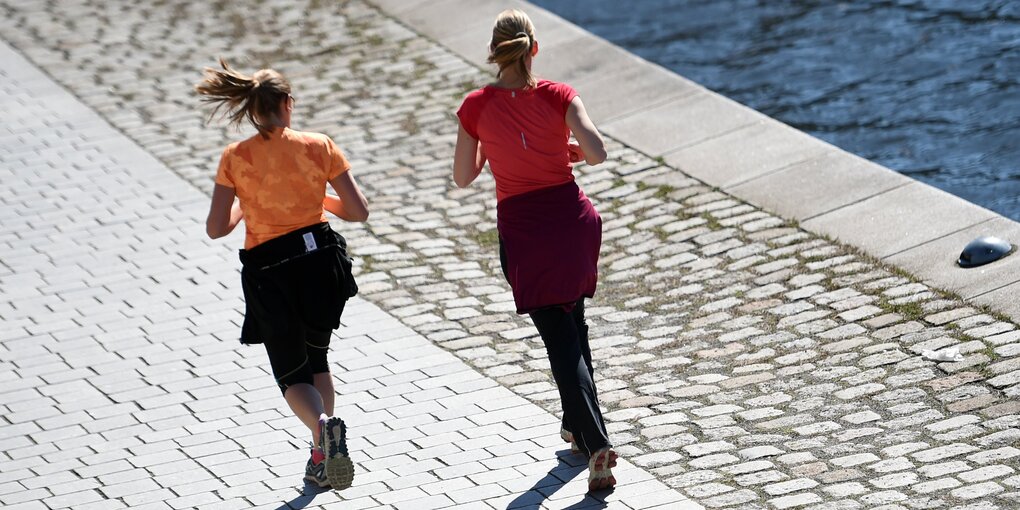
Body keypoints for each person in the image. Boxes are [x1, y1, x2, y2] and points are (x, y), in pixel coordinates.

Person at [452, 9, 617, 492]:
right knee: (573, 324)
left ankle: (595, 440)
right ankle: (577, 430)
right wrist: (569, 149)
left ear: (495, 51)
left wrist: (488, 146)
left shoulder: (476, 106)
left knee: (560, 339)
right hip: (573, 223)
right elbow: (599, 152)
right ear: (534, 49)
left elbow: (463, 178)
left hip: (526, 234)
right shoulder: (560, 95)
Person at [196, 59, 369, 490]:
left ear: (253, 111)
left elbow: (217, 228)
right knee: (318, 358)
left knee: (292, 374)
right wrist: (319, 199)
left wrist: (244, 205)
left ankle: (325, 428)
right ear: (288, 104)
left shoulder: (236, 157)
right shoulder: (319, 145)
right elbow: (359, 211)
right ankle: (320, 457)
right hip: (320, 259)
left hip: (270, 269)